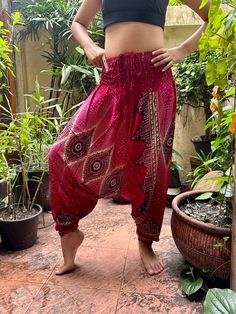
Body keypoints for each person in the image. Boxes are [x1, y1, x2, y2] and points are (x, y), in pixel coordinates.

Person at [48, 0, 210, 276]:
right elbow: (78, 23)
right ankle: (69, 232)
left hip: (154, 80)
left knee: (151, 169)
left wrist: (183, 49)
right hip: (113, 81)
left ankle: (145, 242)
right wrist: (90, 46)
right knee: (59, 154)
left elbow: (211, 15)